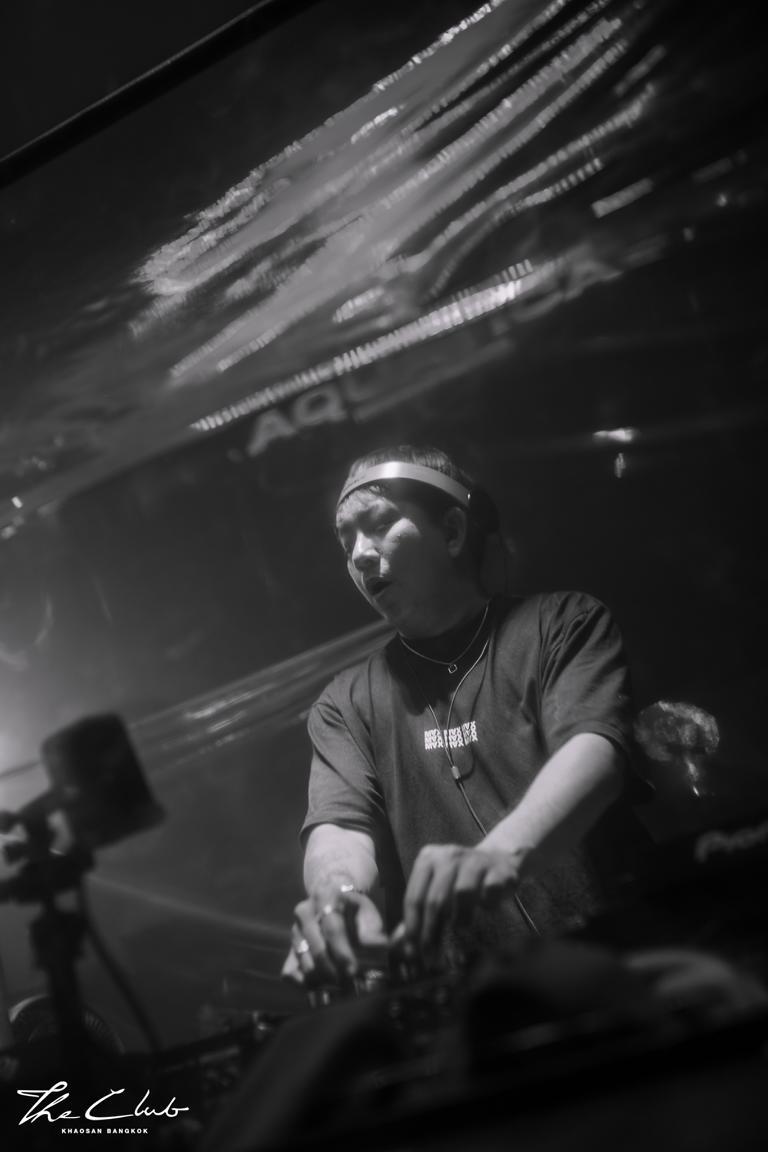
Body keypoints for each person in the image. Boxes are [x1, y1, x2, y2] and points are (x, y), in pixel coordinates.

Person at [283, 445, 644, 987]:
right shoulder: (345, 702)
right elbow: (340, 827)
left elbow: (594, 751)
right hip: (473, 1002)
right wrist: (341, 898)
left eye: (378, 525)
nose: (359, 554)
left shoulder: (562, 623)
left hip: (623, 960)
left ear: (452, 531)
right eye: (346, 540)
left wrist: (499, 855)